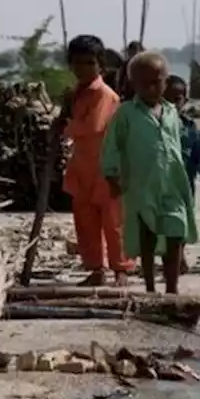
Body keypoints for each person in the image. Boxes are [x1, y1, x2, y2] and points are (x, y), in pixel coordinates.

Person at [102, 52, 198, 295]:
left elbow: (175, 143)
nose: (151, 88)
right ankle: (150, 287)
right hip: (142, 183)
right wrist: (112, 175)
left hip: (172, 182)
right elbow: (112, 145)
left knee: (176, 230)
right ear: (134, 84)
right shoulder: (126, 113)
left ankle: (172, 288)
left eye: (157, 82)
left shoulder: (171, 112)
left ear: (165, 81)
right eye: (144, 84)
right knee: (148, 234)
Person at [57, 35, 131, 287]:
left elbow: (93, 125)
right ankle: (95, 268)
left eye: (89, 63)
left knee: (113, 221)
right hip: (83, 165)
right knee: (85, 221)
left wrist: (64, 126)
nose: (82, 69)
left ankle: (120, 269)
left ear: (101, 64)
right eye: (77, 63)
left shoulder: (104, 94)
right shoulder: (76, 94)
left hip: (108, 167)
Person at [163, 76, 200, 197]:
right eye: (166, 100)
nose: (171, 105)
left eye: (176, 100)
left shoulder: (189, 127)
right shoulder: (151, 125)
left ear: (185, 101)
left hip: (184, 183)